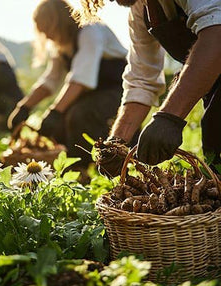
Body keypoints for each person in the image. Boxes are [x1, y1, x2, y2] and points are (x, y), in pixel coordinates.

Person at [81, 0, 221, 175]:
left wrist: (170, 118)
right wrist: (117, 142)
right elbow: (142, 79)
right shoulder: (141, 11)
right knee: (215, 161)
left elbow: (216, 32)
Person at [7, 0, 129, 166]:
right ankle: (69, 164)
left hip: (118, 90)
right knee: (59, 127)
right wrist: (24, 107)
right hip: (92, 93)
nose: (47, 36)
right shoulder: (61, 45)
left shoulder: (90, 30)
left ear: (58, 21)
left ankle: (88, 167)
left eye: (47, 28)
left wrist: (54, 112)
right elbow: (51, 79)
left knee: (79, 115)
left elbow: (81, 79)